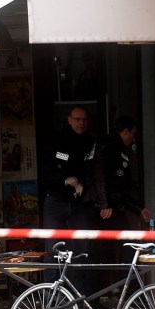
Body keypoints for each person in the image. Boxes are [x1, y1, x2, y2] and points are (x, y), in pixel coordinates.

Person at [40, 106, 97, 288]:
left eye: (84, 120)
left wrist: (83, 186)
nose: (81, 123)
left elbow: (93, 171)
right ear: (69, 120)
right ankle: (51, 293)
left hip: (79, 202)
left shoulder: (90, 142)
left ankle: (81, 294)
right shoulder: (57, 139)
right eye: (78, 119)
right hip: (56, 199)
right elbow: (46, 168)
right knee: (53, 247)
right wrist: (64, 179)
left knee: (83, 248)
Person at [89, 115, 151, 264]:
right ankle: (126, 278)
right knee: (113, 249)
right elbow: (100, 176)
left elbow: (122, 186)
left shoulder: (117, 149)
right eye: (133, 134)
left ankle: (125, 277)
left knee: (114, 249)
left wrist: (138, 208)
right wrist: (105, 204)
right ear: (125, 131)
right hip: (106, 209)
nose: (133, 139)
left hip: (112, 206)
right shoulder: (108, 147)